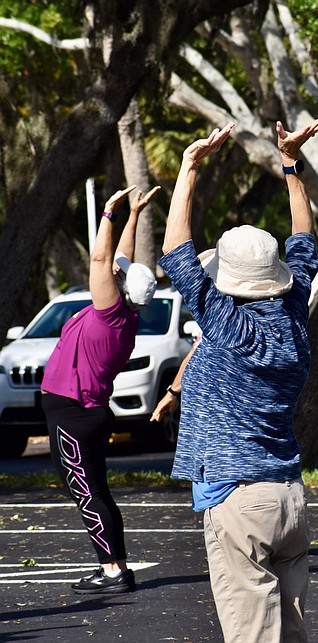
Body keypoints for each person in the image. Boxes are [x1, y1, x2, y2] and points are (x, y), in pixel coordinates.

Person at [158, 116, 318, 643]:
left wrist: (188, 167)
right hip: (287, 497)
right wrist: (291, 165)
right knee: (291, 635)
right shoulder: (294, 315)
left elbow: (175, 253)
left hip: (240, 499)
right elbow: (304, 244)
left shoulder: (231, 328)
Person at [41, 184, 160, 594]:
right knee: (97, 493)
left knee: (88, 495)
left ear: (120, 290)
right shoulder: (124, 313)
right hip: (81, 412)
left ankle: (112, 572)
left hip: (74, 415)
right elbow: (119, 259)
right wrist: (134, 215)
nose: (115, 271)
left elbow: (100, 258)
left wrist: (108, 212)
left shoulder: (110, 316)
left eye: (118, 276)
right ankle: (115, 566)